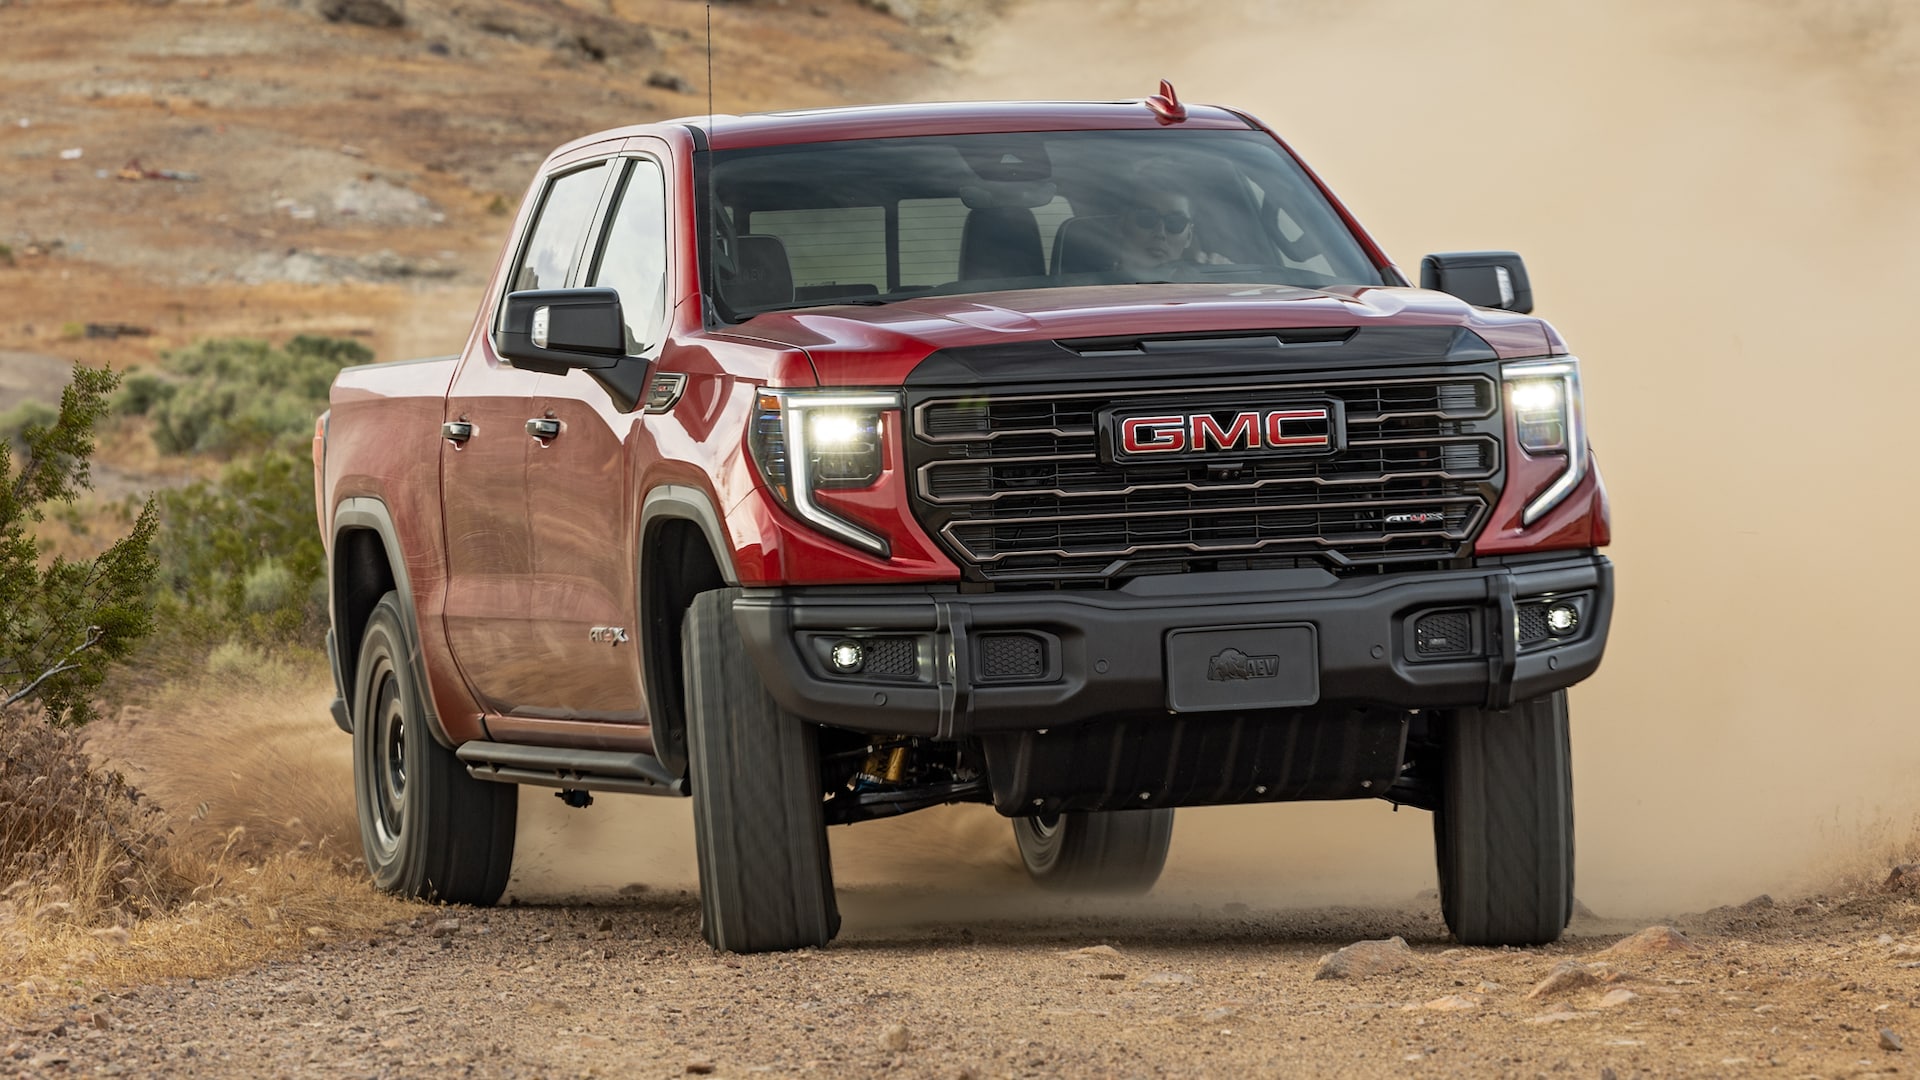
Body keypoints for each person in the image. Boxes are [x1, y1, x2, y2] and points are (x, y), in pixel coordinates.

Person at [1110, 181, 1229, 274]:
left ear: (1189, 236)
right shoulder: (1093, 288)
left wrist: (1226, 278)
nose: (1160, 233)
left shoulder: (1210, 289)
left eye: (1175, 222)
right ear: (1121, 225)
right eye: (1147, 218)